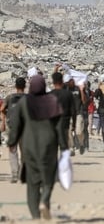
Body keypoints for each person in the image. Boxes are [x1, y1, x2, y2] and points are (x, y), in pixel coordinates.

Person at [7, 75, 66, 220]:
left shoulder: (24, 102)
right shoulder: (52, 101)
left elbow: (16, 124)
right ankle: (45, 200)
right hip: (49, 144)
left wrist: (12, 141)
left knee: (33, 181)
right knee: (48, 177)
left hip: (30, 145)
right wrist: (64, 145)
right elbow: (60, 126)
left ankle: (35, 216)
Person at [0, 77, 26, 183]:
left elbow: (2, 110)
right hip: (25, 127)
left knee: (12, 150)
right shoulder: (28, 98)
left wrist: (5, 120)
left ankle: (15, 174)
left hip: (13, 127)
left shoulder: (10, 97)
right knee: (24, 151)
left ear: (15, 86)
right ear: (24, 86)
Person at [50, 72, 76, 156]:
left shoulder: (50, 95)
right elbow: (73, 110)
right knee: (64, 145)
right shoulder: (68, 94)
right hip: (65, 123)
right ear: (62, 81)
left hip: (52, 124)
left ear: (53, 82)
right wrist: (74, 125)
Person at [66, 77, 87, 155]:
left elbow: (84, 101)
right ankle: (71, 147)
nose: (68, 82)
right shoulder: (65, 88)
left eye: (70, 81)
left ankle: (81, 144)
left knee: (79, 132)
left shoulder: (78, 88)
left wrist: (81, 90)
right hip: (68, 114)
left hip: (78, 112)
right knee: (69, 132)